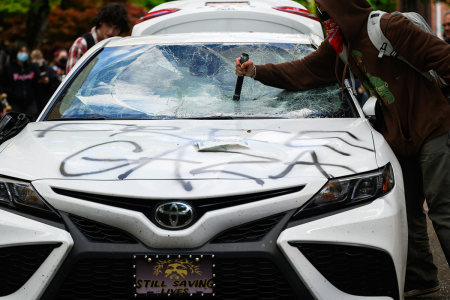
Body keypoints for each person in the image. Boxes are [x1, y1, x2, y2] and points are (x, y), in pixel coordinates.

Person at [235, 0, 450, 298]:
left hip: (434, 128)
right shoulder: (340, 45)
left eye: (327, 12)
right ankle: (422, 279)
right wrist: (256, 71)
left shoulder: (389, 27)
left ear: (343, 7)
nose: (325, 20)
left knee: (444, 212)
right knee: (408, 210)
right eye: (322, 15)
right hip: (401, 138)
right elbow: (302, 72)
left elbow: (445, 59)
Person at [66, 3, 130, 73]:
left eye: (117, 28)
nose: (111, 32)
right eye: (108, 25)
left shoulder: (120, 48)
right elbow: (72, 80)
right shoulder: (82, 44)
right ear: (101, 21)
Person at [0, 43, 40, 120]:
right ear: (16, 53)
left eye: (25, 51)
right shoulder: (8, 68)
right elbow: (3, 86)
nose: (24, 54)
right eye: (21, 51)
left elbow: (36, 86)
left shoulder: (32, 67)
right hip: (14, 104)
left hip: (30, 104)